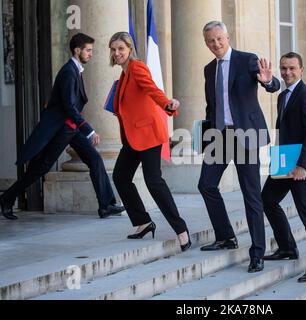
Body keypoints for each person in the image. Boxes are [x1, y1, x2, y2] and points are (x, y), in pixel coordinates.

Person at [0, 33, 124, 220]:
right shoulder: (68, 72)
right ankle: (7, 198)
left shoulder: (75, 70)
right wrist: (89, 130)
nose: (91, 54)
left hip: (70, 129)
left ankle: (106, 205)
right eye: (88, 50)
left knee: (95, 160)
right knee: (40, 167)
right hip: (62, 129)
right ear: (77, 50)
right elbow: (68, 106)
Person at [198, 21, 280, 273]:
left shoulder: (247, 60)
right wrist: (206, 137)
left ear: (228, 37)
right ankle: (226, 237)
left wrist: (268, 82)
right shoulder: (208, 69)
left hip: (246, 135)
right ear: (206, 43)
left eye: (220, 39)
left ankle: (257, 252)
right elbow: (212, 106)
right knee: (206, 184)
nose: (216, 44)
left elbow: (272, 84)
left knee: (251, 195)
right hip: (220, 136)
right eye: (211, 41)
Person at [108, 32, 191, 252]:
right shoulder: (125, 74)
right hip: (133, 136)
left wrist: (168, 105)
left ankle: (181, 230)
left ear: (130, 49)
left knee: (154, 181)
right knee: (120, 176)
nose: (117, 53)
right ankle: (143, 222)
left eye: (121, 49)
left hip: (149, 134)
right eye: (114, 49)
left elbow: (153, 90)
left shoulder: (137, 67)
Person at [261, 52, 306, 282]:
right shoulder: (283, 96)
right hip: (284, 163)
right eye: (283, 68)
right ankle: (288, 247)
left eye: (291, 68)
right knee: (267, 200)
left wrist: (301, 166)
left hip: (301, 167)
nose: (287, 72)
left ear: (301, 70)